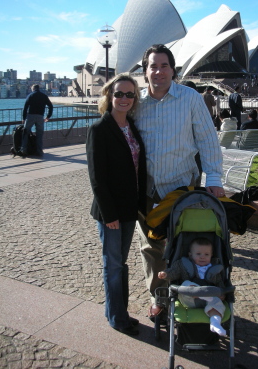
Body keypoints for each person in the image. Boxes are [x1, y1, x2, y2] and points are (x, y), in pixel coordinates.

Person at [134, 44, 224, 317]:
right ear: (145, 71)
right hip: (147, 190)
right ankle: (159, 297)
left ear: (173, 70)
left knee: (183, 242)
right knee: (151, 247)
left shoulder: (191, 98)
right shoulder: (136, 102)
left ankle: (189, 291)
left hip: (182, 187)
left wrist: (214, 177)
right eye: (153, 66)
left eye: (164, 66)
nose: (158, 71)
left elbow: (207, 140)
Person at [86, 74, 147, 336]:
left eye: (129, 94)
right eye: (119, 93)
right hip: (111, 212)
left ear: (135, 99)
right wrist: (109, 214)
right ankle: (117, 317)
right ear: (109, 96)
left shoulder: (132, 126)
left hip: (129, 208)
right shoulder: (99, 129)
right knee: (112, 264)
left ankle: (118, 311)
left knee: (120, 263)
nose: (124, 98)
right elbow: (97, 178)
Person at [158, 238, 227, 336]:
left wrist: (222, 293)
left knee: (217, 304)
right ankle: (203, 294)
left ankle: (215, 323)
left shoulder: (214, 268)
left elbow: (219, 282)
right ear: (190, 254)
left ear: (211, 255)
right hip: (188, 298)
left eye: (206, 254)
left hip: (208, 300)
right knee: (186, 283)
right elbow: (173, 271)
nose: (202, 257)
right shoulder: (183, 264)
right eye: (198, 254)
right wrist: (165, 274)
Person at [20, 84, 53, 158]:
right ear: (39, 88)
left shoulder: (30, 95)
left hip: (30, 116)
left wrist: (23, 118)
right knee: (39, 134)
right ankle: (39, 151)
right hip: (40, 117)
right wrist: (48, 116)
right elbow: (50, 106)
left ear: (33, 88)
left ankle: (24, 150)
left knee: (25, 132)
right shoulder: (44, 96)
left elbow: (25, 107)